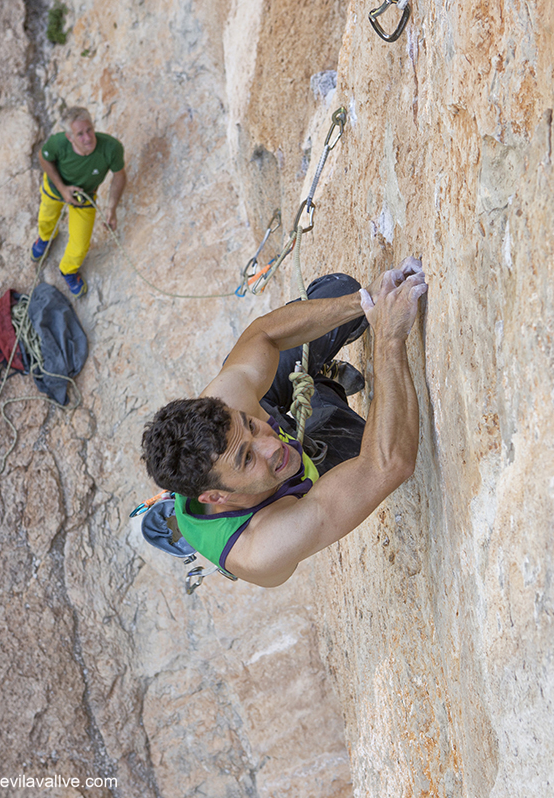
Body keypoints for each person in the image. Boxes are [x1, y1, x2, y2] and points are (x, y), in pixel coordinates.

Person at [141, 257, 427, 587]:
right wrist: (389, 338)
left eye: (249, 425)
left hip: (256, 420)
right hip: (280, 503)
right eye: (246, 458)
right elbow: (387, 465)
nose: (273, 444)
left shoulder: (227, 402)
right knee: (373, 443)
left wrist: (366, 301)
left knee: (340, 289)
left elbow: (263, 334)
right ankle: (321, 389)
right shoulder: (263, 546)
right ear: (216, 497)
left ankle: (295, 396)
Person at [31, 106, 126, 297]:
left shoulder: (111, 147)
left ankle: (67, 269)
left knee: (81, 244)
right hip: (56, 189)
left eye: (89, 130)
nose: (88, 138)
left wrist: (111, 208)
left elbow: (119, 176)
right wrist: (63, 188)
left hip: (85, 196)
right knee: (46, 218)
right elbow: (43, 157)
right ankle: (45, 237)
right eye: (80, 134)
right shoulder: (58, 143)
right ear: (70, 137)